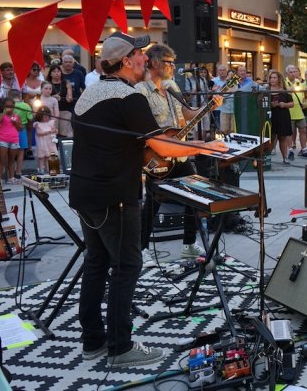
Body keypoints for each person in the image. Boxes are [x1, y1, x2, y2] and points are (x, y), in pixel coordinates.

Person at [69, 32, 225, 368]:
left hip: (84, 193)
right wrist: (206, 147)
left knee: (96, 264)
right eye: (140, 55)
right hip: (115, 195)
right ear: (126, 61)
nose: (145, 59)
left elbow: (127, 147)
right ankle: (120, 348)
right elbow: (163, 147)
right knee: (126, 266)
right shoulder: (128, 97)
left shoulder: (90, 94)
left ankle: (93, 341)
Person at [137, 44, 215, 265]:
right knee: (153, 203)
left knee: (194, 196)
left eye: (173, 62)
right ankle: (141, 249)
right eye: (168, 62)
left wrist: (209, 107)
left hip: (179, 154)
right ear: (153, 63)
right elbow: (144, 126)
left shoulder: (172, 86)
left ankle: (188, 245)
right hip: (157, 154)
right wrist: (164, 140)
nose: (172, 67)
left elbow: (188, 114)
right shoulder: (141, 90)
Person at [285, 65, 307, 159]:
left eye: (294, 71)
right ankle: (290, 151)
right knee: (289, 132)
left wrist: (303, 101)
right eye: (291, 72)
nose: (293, 73)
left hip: (299, 111)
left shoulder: (298, 82)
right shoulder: (284, 83)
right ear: (287, 73)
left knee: (303, 130)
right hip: (289, 111)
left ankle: (304, 150)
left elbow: (303, 93)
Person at [0, 97, 22, 183]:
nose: (9, 108)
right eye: (7, 106)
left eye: (11, 106)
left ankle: (11, 177)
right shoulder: (1, 115)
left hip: (14, 139)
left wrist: (16, 123)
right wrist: (4, 113)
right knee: (1, 159)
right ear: (4, 107)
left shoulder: (17, 116)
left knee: (12, 160)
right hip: (3, 139)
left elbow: (20, 128)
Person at [268, 70, 294, 164]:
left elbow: (292, 104)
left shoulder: (284, 90)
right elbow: (261, 103)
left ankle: (285, 158)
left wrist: (285, 104)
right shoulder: (266, 90)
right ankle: (266, 157)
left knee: (282, 137)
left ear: (279, 79)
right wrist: (271, 104)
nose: (272, 79)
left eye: (274, 77)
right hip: (271, 116)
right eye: (271, 77)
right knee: (271, 137)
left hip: (283, 116)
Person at [47, 64, 73, 137]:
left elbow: (70, 99)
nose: (57, 73)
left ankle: (63, 148)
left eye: (58, 71)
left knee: (64, 133)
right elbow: (43, 97)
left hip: (64, 111)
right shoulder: (47, 84)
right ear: (50, 74)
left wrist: (65, 98)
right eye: (54, 71)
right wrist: (52, 97)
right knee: (52, 133)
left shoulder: (66, 83)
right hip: (51, 112)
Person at [211, 64, 236, 135]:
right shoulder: (214, 81)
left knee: (232, 130)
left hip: (232, 108)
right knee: (220, 130)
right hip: (218, 109)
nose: (222, 72)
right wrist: (213, 91)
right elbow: (209, 94)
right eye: (220, 70)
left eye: (224, 70)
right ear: (218, 72)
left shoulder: (232, 81)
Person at [33, 106, 57, 174]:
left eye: (46, 117)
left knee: (49, 156)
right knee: (41, 157)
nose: (45, 119)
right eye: (43, 117)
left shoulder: (51, 122)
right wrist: (48, 132)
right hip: (42, 143)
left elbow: (55, 130)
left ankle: (49, 169)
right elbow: (38, 133)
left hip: (49, 142)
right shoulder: (38, 124)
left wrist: (55, 130)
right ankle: (41, 169)